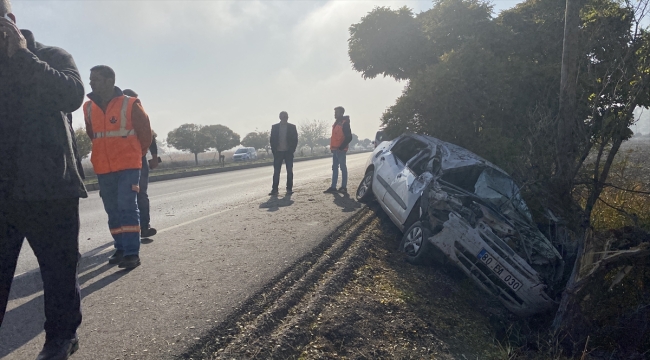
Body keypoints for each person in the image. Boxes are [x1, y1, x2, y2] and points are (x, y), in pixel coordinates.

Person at [0, 1, 87, 358]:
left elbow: (71, 95)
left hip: (51, 189)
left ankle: (61, 338)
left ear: (10, 21)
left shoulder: (50, 55)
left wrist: (22, 57)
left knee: (58, 273)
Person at [84, 66, 152, 269]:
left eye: (95, 79)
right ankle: (120, 248)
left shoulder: (130, 104)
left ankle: (132, 252)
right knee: (112, 209)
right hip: (103, 167)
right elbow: (93, 134)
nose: (91, 83)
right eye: (90, 79)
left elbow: (145, 134)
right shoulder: (88, 107)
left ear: (109, 80)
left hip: (128, 166)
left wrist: (134, 156)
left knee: (127, 206)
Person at [121, 89, 158, 237]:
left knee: (139, 194)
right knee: (132, 195)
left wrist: (153, 156)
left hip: (136, 158)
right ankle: (132, 228)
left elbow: (150, 136)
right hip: (126, 160)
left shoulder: (138, 113)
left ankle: (143, 227)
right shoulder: (119, 114)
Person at [324, 106, 352, 194]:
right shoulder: (336, 123)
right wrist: (332, 148)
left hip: (341, 150)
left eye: (336, 112)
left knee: (343, 168)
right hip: (335, 149)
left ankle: (343, 187)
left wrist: (341, 147)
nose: (335, 114)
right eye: (335, 112)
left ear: (341, 113)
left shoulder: (345, 123)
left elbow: (349, 137)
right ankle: (333, 187)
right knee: (335, 168)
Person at [269, 111, 298, 195]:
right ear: (280, 117)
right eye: (283, 116)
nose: (284, 117)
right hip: (278, 152)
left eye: (286, 116)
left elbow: (295, 140)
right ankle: (274, 189)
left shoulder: (292, 127)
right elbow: (272, 140)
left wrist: (292, 149)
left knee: (289, 171)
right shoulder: (275, 127)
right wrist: (274, 150)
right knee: (276, 171)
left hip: (288, 152)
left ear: (288, 117)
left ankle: (289, 189)